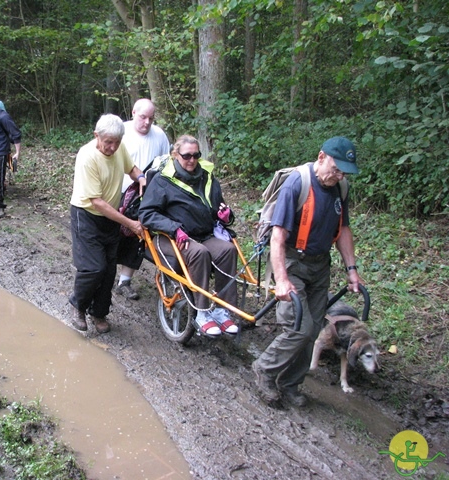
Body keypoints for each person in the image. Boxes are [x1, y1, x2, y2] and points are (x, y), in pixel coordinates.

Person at [251, 136, 361, 407]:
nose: (339, 176)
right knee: (300, 327)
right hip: (292, 261)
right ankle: (264, 369)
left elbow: (343, 230)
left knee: (312, 332)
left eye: (344, 172)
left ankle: (290, 384)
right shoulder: (297, 184)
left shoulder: (340, 188)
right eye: (335, 169)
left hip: (320, 265)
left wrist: (352, 269)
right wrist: (282, 281)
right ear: (321, 157)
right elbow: (278, 237)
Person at [139, 135, 240, 337]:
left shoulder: (207, 178)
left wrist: (225, 216)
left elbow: (217, 208)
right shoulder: (162, 181)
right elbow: (146, 214)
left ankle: (222, 309)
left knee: (228, 250)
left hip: (204, 233)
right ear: (176, 155)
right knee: (199, 253)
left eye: (196, 155)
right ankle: (202, 313)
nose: (192, 160)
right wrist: (174, 228)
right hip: (170, 237)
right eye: (186, 156)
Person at [69, 114, 146, 334]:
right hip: (87, 215)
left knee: (109, 270)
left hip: (111, 217)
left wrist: (140, 177)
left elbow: (131, 169)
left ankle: (99, 312)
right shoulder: (87, 157)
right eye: (108, 142)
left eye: (116, 142)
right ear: (96, 136)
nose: (112, 147)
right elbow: (97, 202)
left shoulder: (119, 148)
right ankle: (78, 305)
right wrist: (130, 223)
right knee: (93, 268)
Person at [115, 98, 170, 300]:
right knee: (112, 235)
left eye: (151, 118)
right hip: (117, 192)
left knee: (137, 236)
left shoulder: (160, 135)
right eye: (143, 117)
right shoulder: (120, 131)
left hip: (145, 197)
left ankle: (124, 281)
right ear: (133, 113)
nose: (147, 122)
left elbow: (166, 162)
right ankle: (103, 275)